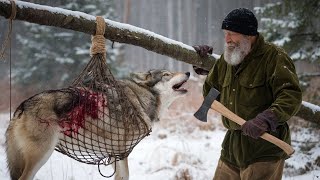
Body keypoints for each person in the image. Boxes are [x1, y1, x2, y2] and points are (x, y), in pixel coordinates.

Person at [193, 8, 302, 180]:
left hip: (264, 148)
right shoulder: (228, 59)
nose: (227, 39)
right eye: (225, 33)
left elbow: (291, 95)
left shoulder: (273, 57)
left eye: (232, 34)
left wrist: (266, 119)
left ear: (249, 35)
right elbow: (211, 93)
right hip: (231, 146)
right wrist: (204, 63)